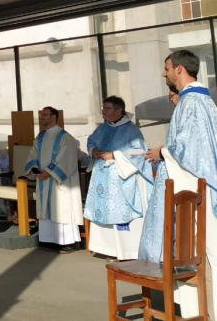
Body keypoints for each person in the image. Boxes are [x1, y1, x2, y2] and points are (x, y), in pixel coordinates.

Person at [138, 50, 217, 317]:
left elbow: (193, 152)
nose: (164, 73)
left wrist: (163, 152)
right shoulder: (196, 101)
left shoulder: (192, 103)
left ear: (180, 69)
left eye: (167, 68)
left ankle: (203, 310)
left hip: (193, 192)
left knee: (197, 251)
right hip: (195, 187)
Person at [84, 96, 153, 260]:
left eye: (107, 108)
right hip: (102, 176)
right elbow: (91, 140)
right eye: (103, 108)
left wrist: (115, 155)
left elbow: (140, 152)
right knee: (102, 211)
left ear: (119, 110)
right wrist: (93, 149)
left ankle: (124, 251)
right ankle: (104, 247)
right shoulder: (102, 128)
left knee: (119, 214)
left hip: (120, 180)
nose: (103, 111)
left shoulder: (131, 130)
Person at [24, 106, 84, 253]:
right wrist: (35, 170)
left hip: (59, 181)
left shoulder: (65, 137)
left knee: (62, 207)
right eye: (41, 115)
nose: (42, 117)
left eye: (45, 115)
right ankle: (48, 239)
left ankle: (68, 241)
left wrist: (49, 172)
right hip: (43, 179)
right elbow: (33, 154)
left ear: (54, 117)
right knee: (46, 208)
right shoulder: (40, 137)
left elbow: (67, 159)